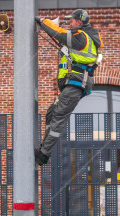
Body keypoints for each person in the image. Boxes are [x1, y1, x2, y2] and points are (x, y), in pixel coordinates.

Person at [34, 9, 102, 165]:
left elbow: (59, 34)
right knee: (51, 113)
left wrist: (43, 21)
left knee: (58, 117)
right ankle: (44, 147)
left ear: (79, 22)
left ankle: (43, 154)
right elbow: (61, 39)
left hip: (76, 84)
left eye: (71, 21)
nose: (69, 24)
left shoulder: (81, 37)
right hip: (73, 84)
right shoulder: (80, 39)